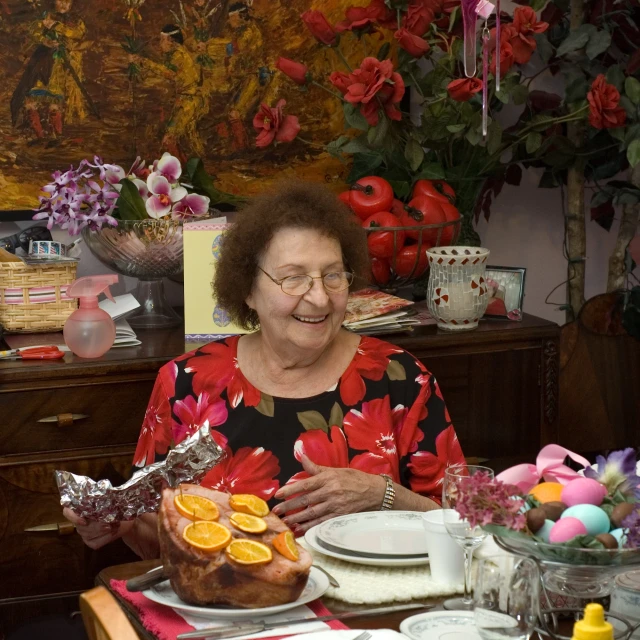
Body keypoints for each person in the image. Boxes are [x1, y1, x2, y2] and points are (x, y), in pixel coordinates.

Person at [64, 181, 465, 559]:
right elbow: (158, 540)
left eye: (332, 275)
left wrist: (384, 495)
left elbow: (465, 523)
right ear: (248, 291)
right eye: (293, 279)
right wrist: (120, 526)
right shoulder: (186, 383)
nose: (320, 297)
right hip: (232, 612)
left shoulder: (400, 378)